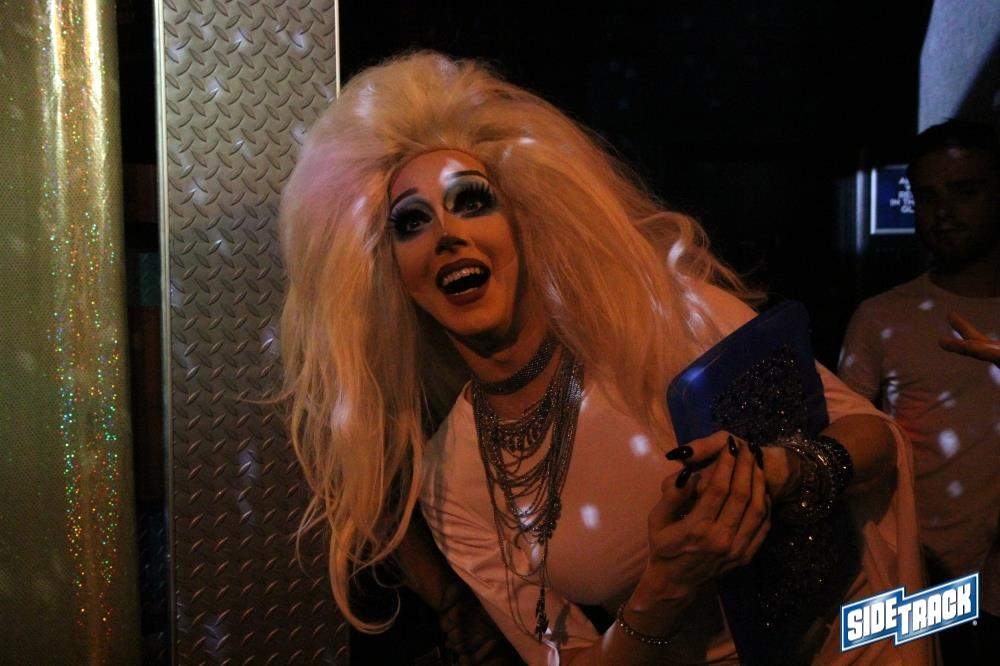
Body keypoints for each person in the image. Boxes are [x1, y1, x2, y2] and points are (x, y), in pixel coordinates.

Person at [280, 51, 930, 664]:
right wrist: (665, 587)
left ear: (523, 222)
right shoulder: (453, 480)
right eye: (411, 222)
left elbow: (872, 433)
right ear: (389, 273)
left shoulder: (659, 315)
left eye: (471, 201)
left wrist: (783, 472)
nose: (447, 235)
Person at [838, 119, 1000, 662]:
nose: (943, 212)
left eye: (965, 191)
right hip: (919, 578)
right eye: (927, 196)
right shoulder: (883, 317)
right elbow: (848, 442)